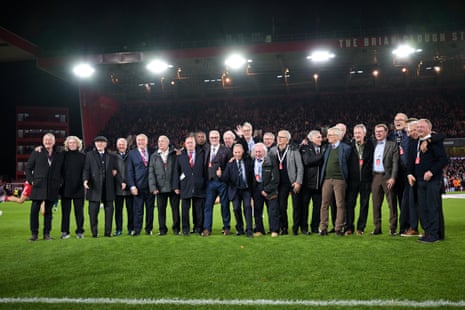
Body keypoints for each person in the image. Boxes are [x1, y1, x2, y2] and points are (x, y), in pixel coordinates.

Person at [407, 119, 448, 243]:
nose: (419, 129)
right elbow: (410, 161)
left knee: (432, 208)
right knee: (423, 209)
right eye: (418, 127)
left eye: (422, 127)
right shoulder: (415, 143)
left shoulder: (434, 142)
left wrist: (431, 171)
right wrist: (409, 173)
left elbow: (443, 160)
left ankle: (434, 235)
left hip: (433, 181)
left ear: (429, 129)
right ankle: (428, 232)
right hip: (419, 181)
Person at [24, 133, 64, 241]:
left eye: (50, 140)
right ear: (42, 141)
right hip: (38, 186)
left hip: (52, 186)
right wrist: (31, 180)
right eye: (46, 140)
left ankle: (47, 234)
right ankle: (34, 234)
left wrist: (60, 181)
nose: (48, 142)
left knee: (48, 212)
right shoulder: (37, 152)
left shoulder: (59, 153)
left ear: (54, 142)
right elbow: (28, 168)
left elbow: (63, 170)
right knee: (34, 211)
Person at [83, 135, 121, 238]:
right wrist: (85, 180)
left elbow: (116, 169)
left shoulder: (111, 156)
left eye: (102, 142)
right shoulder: (89, 155)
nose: (100, 144)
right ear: (95, 144)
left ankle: (108, 232)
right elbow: (86, 169)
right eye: (98, 142)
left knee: (109, 211)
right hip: (94, 186)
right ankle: (94, 233)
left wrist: (116, 172)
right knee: (93, 212)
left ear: (106, 144)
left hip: (108, 187)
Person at [269, 130, 303, 235]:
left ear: (287, 140)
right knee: (282, 207)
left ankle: (295, 229)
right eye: (278, 136)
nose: (279, 138)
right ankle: (284, 228)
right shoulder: (273, 151)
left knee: (296, 206)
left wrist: (298, 182)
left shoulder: (293, 150)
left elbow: (300, 167)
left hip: (292, 182)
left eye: (282, 137)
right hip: (281, 184)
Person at [319, 127, 351, 236]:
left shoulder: (346, 148)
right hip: (327, 179)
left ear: (337, 137)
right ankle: (323, 228)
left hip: (339, 180)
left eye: (330, 135)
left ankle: (338, 228)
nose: (328, 137)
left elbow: (348, 164)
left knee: (340, 204)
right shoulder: (327, 148)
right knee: (324, 204)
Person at [172, 135, 207, 235]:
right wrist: (176, 186)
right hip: (185, 186)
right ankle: (185, 229)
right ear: (185, 145)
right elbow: (176, 172)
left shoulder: (202, 154)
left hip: (199, 186)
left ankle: (198, 228)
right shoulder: (180, 155)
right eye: (188, 143)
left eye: (192, 142)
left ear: (195, 144)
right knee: (185, 210)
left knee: (199, 210)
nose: (190, 144)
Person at [218, 143, 254, 237]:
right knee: (236, 208)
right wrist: (220, 175)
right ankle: (240, 228)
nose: (237, 154)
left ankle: (249, 229)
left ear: (242, 152)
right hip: (235, 190)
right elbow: (225, 178)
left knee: (247, 207)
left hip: (246, 189)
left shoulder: (247, 161)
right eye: (235, 152)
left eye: (239, 152)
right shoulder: (230, 164)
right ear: (233, 153)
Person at [345, 124, 374, 235]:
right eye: (355, 133)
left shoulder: (370, 145)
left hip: (366, 180)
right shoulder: (349, 146)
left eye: (359, 133)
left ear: (364, 134)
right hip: (352, 180)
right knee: (350, 204)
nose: (357, 135)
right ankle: (349, 227)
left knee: (364, 204)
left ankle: (360, 228)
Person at [148, 135, 180, 236]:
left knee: (175, 209)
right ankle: (162, 230)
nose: (160, 143)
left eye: (162, 141)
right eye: (159, 141)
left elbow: (179, 170)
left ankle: (176, 229)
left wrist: (177, 186)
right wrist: (153, 187)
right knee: (161, 210)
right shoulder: (154, 156)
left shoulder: (174, 154)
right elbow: (151, 173)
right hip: (160, 188)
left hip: (173, 187)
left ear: (168, 143)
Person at [202, 130, 232, 236]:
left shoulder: (226, 150)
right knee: (208, 206)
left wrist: (222, 174)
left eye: (216, 137)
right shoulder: (205, 149)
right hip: (210, 182)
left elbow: (230, 166)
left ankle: (226, 227)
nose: (214, 139)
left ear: (219, 138)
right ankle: (207, 229)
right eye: (212, 138)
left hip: (222, 182)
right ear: (209, 139)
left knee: (224, 205)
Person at [371, 123, 399, 236]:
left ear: (386, 132)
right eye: (376, 131)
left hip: (387, 177)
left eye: (380, 131)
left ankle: (392, 228)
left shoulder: (392, 145)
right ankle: (377, 228)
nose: (378, 133)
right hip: (375, 177)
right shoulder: (372, 144)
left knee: (391, 203)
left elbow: (395, 162)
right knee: (375, 204)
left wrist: (393, 177)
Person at [126, 133, 155, 236]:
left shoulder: (153, 152)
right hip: (138, 186)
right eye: (138, 140)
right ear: (136, 141)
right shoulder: (131, 154)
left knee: (150, 209)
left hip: (150, 186)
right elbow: (129, 171)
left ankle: (149, 229)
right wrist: (132, 186)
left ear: (146, 141)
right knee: (138, 209)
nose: (140, 142)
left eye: (143, 140)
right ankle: (137, 229)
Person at [299, 130, 326, 234]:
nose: (320, 139)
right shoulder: (305, 148)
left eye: (320, 137)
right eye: (318, 137)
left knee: (317, 207)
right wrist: (322, 156)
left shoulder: (323, 147)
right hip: (307, 183)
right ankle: (304, 228)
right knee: (304, 207)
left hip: (319, 184)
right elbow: (307, 161)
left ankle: (315, 227)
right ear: (311, 139)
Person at [250, 143, 280, 237]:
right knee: (257, 210)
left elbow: (276, 178)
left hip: (270, 188)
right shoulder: (252, 161)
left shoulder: (271, 161)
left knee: (273, 210)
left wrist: (266, 189)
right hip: (257, 188)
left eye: (260, 151)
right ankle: (259, 230)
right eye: (256, 151)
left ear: (265, 152)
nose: (258, 153)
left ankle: (274, 230)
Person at [388, 113, 410, 235]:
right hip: (393, 173)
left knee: (406, 201)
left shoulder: (410, 135)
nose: (398, 122)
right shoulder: (390, 136)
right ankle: (395, 227)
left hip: (406, 172)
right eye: (396, 120)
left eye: (401, 120)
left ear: (406, 122)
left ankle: (407, 226)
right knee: (393, 202)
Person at [60, 136, 86, 239]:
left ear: (78, 144)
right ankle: (65, 232)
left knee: (79, 212)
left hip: (79, 188)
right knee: (65, 212)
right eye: (70, 143)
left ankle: (80, 231)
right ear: (67, 144)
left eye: (74, 142)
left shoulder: (83, 156)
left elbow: (85, 171)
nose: (72, 144)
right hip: (65, 188)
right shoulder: (63, 155)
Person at [114, 137, 134, 236]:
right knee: (118, 211)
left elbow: (132, 171)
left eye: (123, 144)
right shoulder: (113, 156)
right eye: (120, 144)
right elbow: (113, 171)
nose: (121, 146)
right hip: (118, 188)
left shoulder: (131, 155)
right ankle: (118, 229)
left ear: (127, 146)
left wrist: (126, 182)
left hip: (129, 188)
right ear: (117, 145)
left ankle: (131, 228)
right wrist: (121, 182)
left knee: (130, 210)